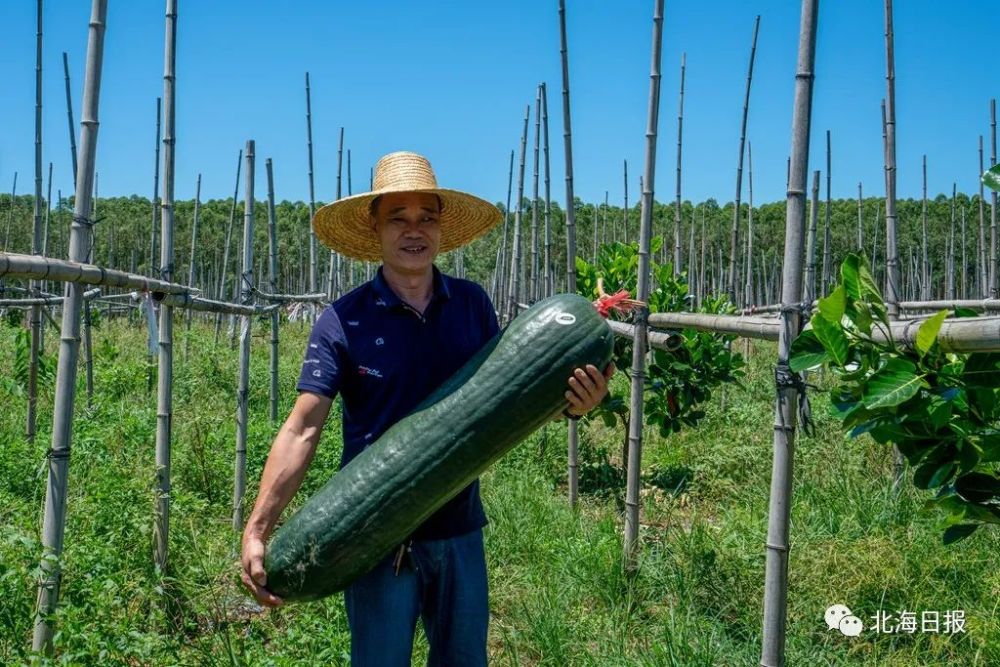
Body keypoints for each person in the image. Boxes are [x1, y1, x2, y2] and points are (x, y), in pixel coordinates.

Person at [240, 151, 614, 666]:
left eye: (427, 218)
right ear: (375, 228)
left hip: (459, 532)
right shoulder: (342, 321)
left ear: (441, 230)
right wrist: (259, 528)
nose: (414, 231)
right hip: (369, 535)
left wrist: (573, 404)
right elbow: (303, 428)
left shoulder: (472, 305)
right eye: (398, 218)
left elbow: (511, 398)